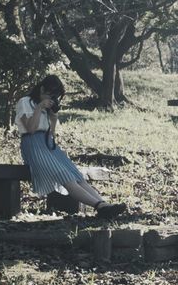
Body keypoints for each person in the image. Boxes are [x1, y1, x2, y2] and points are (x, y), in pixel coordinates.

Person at [15, 75, 126, 219]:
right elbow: (30, 129)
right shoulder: (25, 102)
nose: (52, 99)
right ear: (42, 89)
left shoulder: (46, 108)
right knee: (66, 177)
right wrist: (40, 107)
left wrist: (53, 117)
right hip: (33, 145)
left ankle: (105, 205)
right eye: (50, 94)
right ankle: (100, 207)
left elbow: (51, 135)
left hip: (48, 145)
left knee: (77, 176)